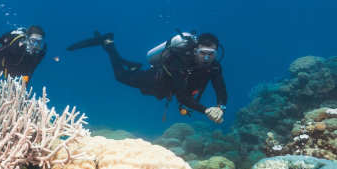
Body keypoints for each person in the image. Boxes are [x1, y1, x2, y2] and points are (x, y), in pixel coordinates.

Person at [67, 30, 227, 123]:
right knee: (120, 76)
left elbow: (221, 88)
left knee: (127, 74)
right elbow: (182, 97)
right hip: (155, 81)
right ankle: (109, 44)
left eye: (211, 54)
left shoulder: (214, 66)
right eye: (203, 53)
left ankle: (132, 65)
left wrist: (220, 108)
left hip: (167, 89)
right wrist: (206, 110)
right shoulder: (181, 61)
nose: (206, 58)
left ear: (216, 53)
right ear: (195, 50)